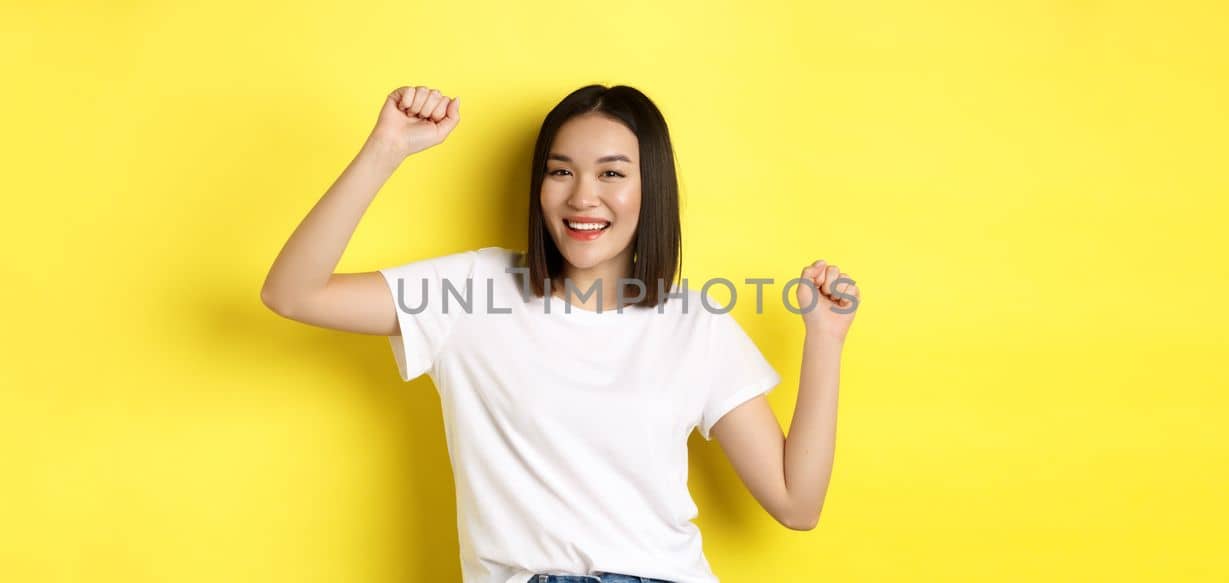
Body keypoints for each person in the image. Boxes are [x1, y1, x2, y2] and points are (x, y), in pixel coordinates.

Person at [260, 84, 860, 583]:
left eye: (612, 173)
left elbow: (796, 502)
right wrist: (385, 149)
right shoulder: (471, 291)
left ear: (650, 189)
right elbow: (293, 293)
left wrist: (825, 341)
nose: (583, 196)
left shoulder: (695, 322)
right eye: (561, 171)